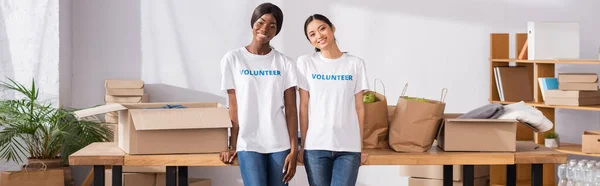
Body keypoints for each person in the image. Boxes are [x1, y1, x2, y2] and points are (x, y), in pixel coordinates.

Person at [219, 3, 298, 186]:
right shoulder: (233, 59)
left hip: (279, 144)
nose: (265, 29)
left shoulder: (285, 63)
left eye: (273, 26)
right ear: (253, 22)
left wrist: (294, 150)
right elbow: (234, 107)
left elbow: (291, 109)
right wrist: (231, 145)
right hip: (248, 144)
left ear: (277, 31)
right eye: (261, 22)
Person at [296, 14, 369, 186]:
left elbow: (360, 108)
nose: (319, 35)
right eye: (312, 34)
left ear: (332, 28)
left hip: (348, 149)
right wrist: (304, 144)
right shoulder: (305, 63)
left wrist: (361, 146)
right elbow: (304, 106)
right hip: (315, 147)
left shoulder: (355, 64)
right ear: (310, 40)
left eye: (322, 28)